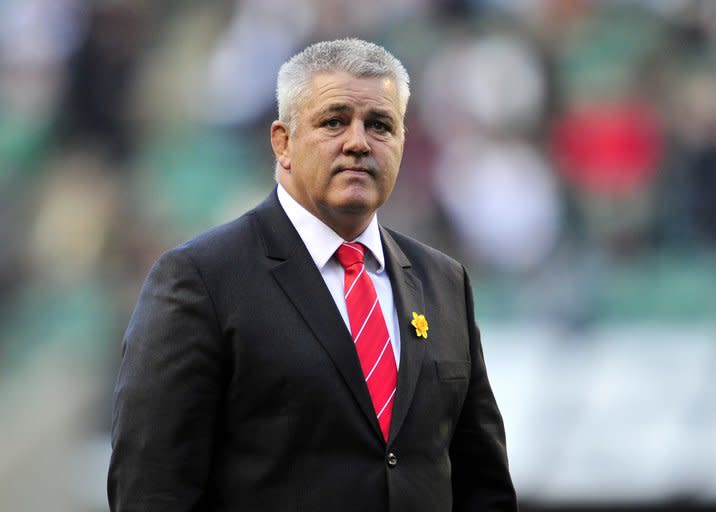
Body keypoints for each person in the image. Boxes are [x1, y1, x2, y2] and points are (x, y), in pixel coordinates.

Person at [108, 38, 517, 512]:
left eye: (380, 125)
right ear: (283, 142)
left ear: (403, 143)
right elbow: (152, 491)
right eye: (334, 121)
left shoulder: (444, 284)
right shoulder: (201, 280)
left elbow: (482, 484)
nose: (359, 142)